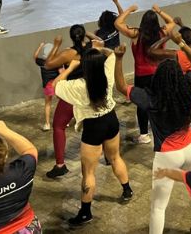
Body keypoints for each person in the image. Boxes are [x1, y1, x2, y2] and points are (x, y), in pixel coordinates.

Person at [115, 54, 191, 234]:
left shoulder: (150, 98)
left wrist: (118, 58)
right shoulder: (188, 85)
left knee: (158, 207)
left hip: (167, 156)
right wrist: (181, 43)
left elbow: (120, 86)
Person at [53, 45, 133, 225]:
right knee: (115, 157)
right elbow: (112, 53)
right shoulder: (107, 73)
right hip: (111, 119)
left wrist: (71, 68)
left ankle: (85, 212)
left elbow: (54, 86)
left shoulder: (79, 85)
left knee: (88, 172)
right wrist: (100, 47)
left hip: (93, 127)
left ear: (85, 67)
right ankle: (127, 190)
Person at [149, 24, 191, 160]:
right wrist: (181, 29)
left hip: (180, 92)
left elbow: (151, 51)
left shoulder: (176, 54)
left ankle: (179, 146)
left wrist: (167, 37)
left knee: (180, 122)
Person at [115, 3, 177, 143]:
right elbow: (171, 21)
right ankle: (162, 128)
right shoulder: (162, 32)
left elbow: (118, 22)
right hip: (158, 73)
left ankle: (144, 134)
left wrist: (129, 10)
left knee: (142, 103)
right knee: (159, 100)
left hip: (141, 75)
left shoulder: (137, 34)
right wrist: (159, 11)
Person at [41, 24, 93, 178]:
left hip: (72, 92)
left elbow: (48, 64)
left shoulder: (69, 53)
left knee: (58, 126)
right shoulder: (92, 46)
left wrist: (56, 45)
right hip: (88, 90)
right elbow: (100, 41)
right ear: (83, 35)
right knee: (95, 122)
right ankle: (109, 156)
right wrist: (89, 36)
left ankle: (60, 165)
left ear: (71, 37)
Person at [33, 42, 59, 131]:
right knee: (63, 103)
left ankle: (47, 124)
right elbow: (62, 72)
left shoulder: (41, 62)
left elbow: (35, 56)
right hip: (57, 84)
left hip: (47, 85)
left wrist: (40, 46)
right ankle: (63, 121)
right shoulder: (57, 61)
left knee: (48, 104)